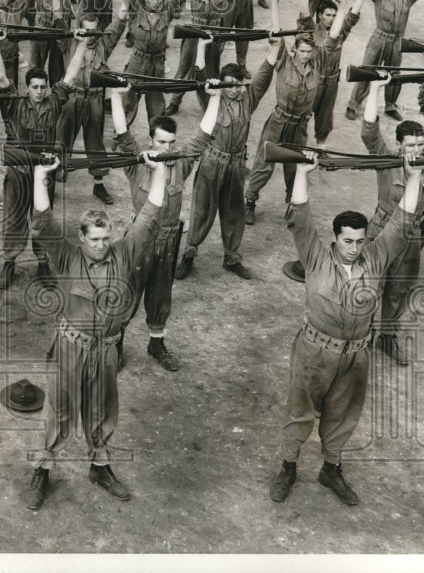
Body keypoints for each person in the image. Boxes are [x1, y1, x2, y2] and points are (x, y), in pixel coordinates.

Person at [269, 146, 424, 507]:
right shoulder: (315, 258)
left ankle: (331, 469)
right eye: (347, 241)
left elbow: (401, 225)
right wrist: (304, 173)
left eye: (359, 240)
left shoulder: (375, 256)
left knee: (343, 414)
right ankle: (289, 466)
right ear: (335, 238)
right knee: (300, 410)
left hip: (355, 355)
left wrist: (414, 176)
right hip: (314, 351)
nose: (354, 248)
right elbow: (301, 218)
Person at [22, 150, 167, 510]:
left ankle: (100, 467)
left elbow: (150, 216)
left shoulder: (123, 253)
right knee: (60, 409)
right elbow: (42, 223)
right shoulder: (66, 256)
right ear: (82, 237)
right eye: (94, 239)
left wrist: (159, 170)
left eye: (105, 239)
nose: (101, 246)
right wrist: (41, 175)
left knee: (103, 409)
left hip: (106, 350)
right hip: (71, 347)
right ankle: (42, 468)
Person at [109, 82, 218, 371]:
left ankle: (156, 343)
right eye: (161, 143)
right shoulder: (135, 164)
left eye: (171, 143)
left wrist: (216, 96)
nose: (167, 149)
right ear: (150, 141)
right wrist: (115, 95)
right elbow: (122, 134)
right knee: (128, 292)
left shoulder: (181, 164)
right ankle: (116, 343)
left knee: (161, 295)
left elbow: (203, 136)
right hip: (140, 240)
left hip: (169, 240)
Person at [175, 38, 279, 282]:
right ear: (222, 85)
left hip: (235, 166)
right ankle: (189, 254)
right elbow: (199, 76)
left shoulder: (248, 99)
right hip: (212, 163)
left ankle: (231, 257)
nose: (233, 89)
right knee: (201, 210)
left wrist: (275, 45)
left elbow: (266, 71)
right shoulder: (212, 100)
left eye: (237, 85)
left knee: (234, 212)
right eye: (228, 85)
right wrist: (201, 47)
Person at [360, 62, 424, 366]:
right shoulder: (387, 161)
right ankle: (361, 335)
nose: (417, 151)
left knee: (401, 287)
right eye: (411, 146)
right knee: (370, 284)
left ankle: (387, 336)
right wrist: (375, 89)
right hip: (382, 232)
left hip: (411, 237)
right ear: (398, 146)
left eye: (420, 145)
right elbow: (369, 132)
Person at [0, 32, 83, 290]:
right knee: (14, 217)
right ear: (27, 87)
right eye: (35, 87)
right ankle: (9, 262)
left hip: (44, 173)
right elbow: (0, 77)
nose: (40, 92)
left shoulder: (54, 103)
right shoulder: (14, 105)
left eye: (43, 87)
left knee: (43, 216)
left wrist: (83, 43)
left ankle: (43, 262)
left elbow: (71, 76)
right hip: (19, 171)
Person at [244, 0, 338, 232]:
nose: (306, 55)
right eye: (303, 51)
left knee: (294, 166)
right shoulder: (285, 61)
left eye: (309, 52)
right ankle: (250, 200)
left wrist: (344, 5)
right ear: (295, 50)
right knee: (264, 163)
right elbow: (276, 37)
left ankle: (291, 204)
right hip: (278, 121)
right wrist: (275, 3)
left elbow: (334, 36)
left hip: (299, 126)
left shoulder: (317, 63)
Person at [345, 0, 424, 121]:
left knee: (394, 75)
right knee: (366, 72)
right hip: (379, 40)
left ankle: (390, 106)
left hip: (397, 43)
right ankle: (352, 105)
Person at [57, 7, 128, 206]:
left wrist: (123, 5)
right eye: (87, 31)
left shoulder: (103, 44)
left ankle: (98, 184)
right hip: (73, 98)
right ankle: (54, 176)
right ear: (79, 30)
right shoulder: (69, 44)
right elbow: (56, 16)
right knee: (62, 138)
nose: (91, 35)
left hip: (95, 100)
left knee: (96, 143)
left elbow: (118, 23)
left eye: (94, 30)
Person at [119, 0, 190, 135]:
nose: (156, 2)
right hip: (136, 64)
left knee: (157, 107)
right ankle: (120, 138)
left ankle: (157, 139)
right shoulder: (136, 12)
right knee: (128, 104)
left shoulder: (167, 12)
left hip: (157, 66)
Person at [164, 0, 231, 115]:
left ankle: (210, 104)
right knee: (184, 68)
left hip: (213, 35)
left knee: (212, 71)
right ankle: (174, 102)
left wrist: (221, 39)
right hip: (194, 34)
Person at [300, 0, 362, 144]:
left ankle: (321, 146)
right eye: (327, 15)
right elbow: (304, 16)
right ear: (320, 15)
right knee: (303, 114)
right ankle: (297, 146)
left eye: (334, 15)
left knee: (325, 117)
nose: (331, 18)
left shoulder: (339, 31)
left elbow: (352, 17)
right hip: (314, 81)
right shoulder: (311, 31)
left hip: (332, 83)